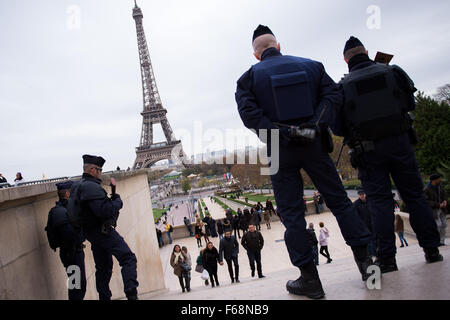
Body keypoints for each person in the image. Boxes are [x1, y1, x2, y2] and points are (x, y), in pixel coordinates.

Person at [235, 25, 374, 299]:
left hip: (278, 149)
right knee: (341, 203)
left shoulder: (248, 78)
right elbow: (334, 96)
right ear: (279, 46)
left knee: (292, 216)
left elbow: (249, 115)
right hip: (313, 143)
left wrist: (282, 133)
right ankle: (368, 267)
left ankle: (310, 279)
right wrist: (313, 125)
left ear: (255, 54)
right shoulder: (313, 66)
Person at [334, 36, 443, 271]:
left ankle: (387, 259)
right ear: (367, 52)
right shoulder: (392, 72)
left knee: (380, 204)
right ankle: (432, 249)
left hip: (368, 152)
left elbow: (338, 126)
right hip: (399, 143)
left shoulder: (342, 87)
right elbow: (410, 104)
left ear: (345, 60)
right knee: (414, 197)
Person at [69, 154, 138, 300]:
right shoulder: (92, 187)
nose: (101, 173)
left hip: (90, 234)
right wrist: (117, 201)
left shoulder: (76, 186)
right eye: (100, 170)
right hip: (103, 231)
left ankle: (104, 297)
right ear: (93, 170)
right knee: (128, 258)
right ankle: (132, 293)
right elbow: (104, 211)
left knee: (104, 268)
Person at [45, 181, 86, 300]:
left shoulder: (63, 210)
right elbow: (71, 236)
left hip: (72, 253)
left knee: (77, 286)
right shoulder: (60, 212)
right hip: (71, 254)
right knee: (76, 287)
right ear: (67, 194)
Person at [424, 174, 448, 246]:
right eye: (439, 178)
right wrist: (437, 205)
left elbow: (445, 195)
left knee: (444, 224)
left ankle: (442, 241)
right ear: (434, 180)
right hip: (434, 210)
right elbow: (426, 201)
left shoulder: (440, 187)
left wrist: (445, 201)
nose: (440, 180)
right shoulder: (427, 189)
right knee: (438, 225)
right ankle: (436, 240)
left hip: (442, 209)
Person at [353, 190, 376, 258]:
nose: (362, 196)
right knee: (368, 240)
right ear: (358, 195)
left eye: (363, 194)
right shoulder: (356, 204)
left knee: (374, 239)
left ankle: (375, 252)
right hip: (364, 225)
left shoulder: (369, 201)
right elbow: (355, 215)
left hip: (372, 223)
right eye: (360, 195)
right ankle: (371, 253)